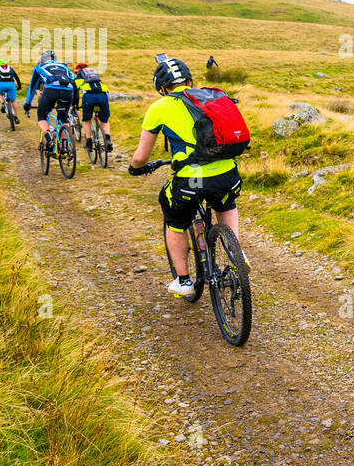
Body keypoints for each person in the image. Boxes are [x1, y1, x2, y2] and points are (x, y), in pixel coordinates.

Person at [127, 56, 243, 297]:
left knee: (174, 216)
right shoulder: (212, 97)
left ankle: (183, 280)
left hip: (192, 180)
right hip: (228, 174)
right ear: (190, 80)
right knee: (226, 202)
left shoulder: (160, 107)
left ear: (161, 87)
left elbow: (140, 157)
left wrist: (135, 168)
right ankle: (236, 255)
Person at [26, 51, 78, 143]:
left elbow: (32, 87)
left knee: (42, 115)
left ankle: (49, 136)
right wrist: (74, 102)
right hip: (68, 91)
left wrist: (28, 103)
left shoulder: (39, 67)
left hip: (51, 90)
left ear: (42, 59)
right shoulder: (63, 66)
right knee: (63, 118)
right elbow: (74, 80)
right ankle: (65, 146)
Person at [73, 63, 113, 154]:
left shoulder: (77, 79)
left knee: (86, 120)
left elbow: (75, 96)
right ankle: (107, 139)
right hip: (103, 96)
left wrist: (75, 106)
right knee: (105, 120)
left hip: (89, 96)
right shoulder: (96, 77)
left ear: (77, 72)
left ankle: (89, 142)